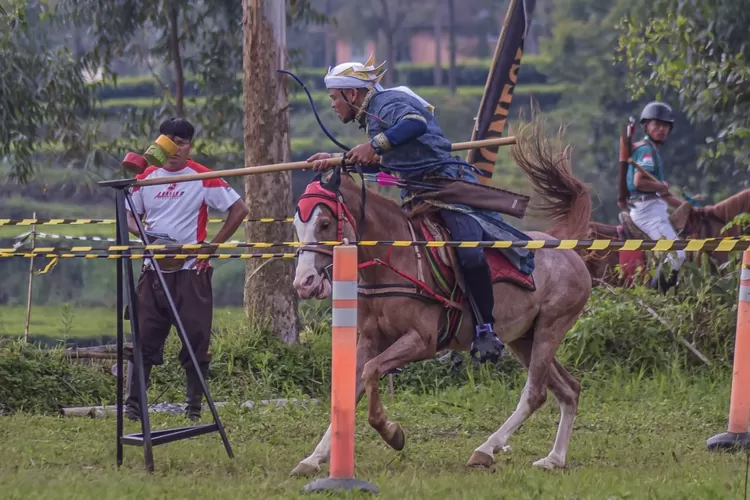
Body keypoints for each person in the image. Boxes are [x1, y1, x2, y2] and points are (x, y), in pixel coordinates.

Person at [307, 57, 535, 363]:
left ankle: (484, 329)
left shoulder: (387, 101)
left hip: (449, 189)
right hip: (416, 196)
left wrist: (375, 146)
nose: (333, 105)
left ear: (353, 93)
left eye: (335, 98)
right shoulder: (372, 116)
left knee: (468, 253)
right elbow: (389, 161)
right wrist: (338, 159)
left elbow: (414, 124)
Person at [124, 117, 249, 421]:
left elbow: (239, 209)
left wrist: (212, 245)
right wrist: (146, 236)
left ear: (190, 146)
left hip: (191, 271)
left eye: (182, 142)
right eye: (170, 141)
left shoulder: (203, 176)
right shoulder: (146, 176)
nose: (176, 148)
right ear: (159, 143)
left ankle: (193, 408)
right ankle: (133, 407)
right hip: (153, 272)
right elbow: (129, 215)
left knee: (195, 339)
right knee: (143, 338)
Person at [625, 101, 685, 292]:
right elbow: (639, 182)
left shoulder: (653, 150)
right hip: (647, 211)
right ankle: (657, 293)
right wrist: (660, 186)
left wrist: (690, 207)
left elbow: (665, 195)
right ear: (646, 126)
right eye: (656, 125)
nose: (661, 129)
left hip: (654, 206)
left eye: (665, 125)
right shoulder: (646, 150)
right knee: (678, 253)